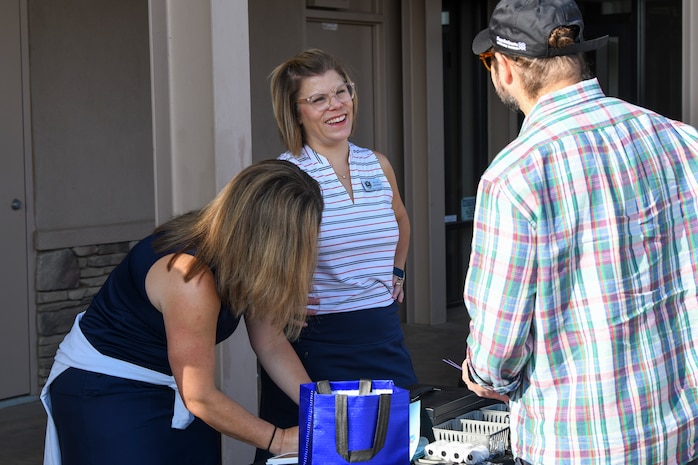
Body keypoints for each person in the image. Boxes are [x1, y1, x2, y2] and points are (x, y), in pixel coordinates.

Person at [461, 1, 698, 464]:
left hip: (579, 444)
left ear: (505, 68)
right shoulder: (680, 139)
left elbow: (497, 351)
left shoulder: (514, 176)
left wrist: (483, 375)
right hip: (682, 433)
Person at [40, 160, 324, 465]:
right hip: (107, 387)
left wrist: (321, 407)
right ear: (270, 244)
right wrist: (279, 440)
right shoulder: (190, 277)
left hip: (178, 387)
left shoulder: (243, 259)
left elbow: (271, 343)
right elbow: (200, 396)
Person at [255, 48, 417, 461]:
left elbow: (401, 221)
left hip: (382, 333)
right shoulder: (285, 177)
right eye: (319, 98)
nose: (336, 105)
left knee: (396, 449)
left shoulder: (376, 164)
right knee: (328, 452)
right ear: (296, 112)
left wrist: (397, 272)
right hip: (319, 343)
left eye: (341, 92)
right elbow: (266, 273)